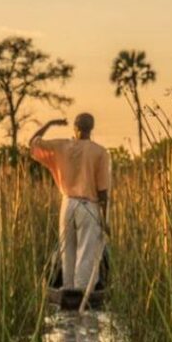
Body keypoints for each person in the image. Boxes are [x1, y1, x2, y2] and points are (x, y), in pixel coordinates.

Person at [29, 113, 111, 292]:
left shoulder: (60, 146)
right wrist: (105, 219)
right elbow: (103, 191)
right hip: (89, 206)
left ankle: (68, 289)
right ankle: (82, 292)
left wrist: (50, 122)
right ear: (91, 129)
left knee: (68, 250)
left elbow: (33, 142)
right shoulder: (100, 152)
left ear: (75, 128)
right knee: (87, 252)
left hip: (68, 205)